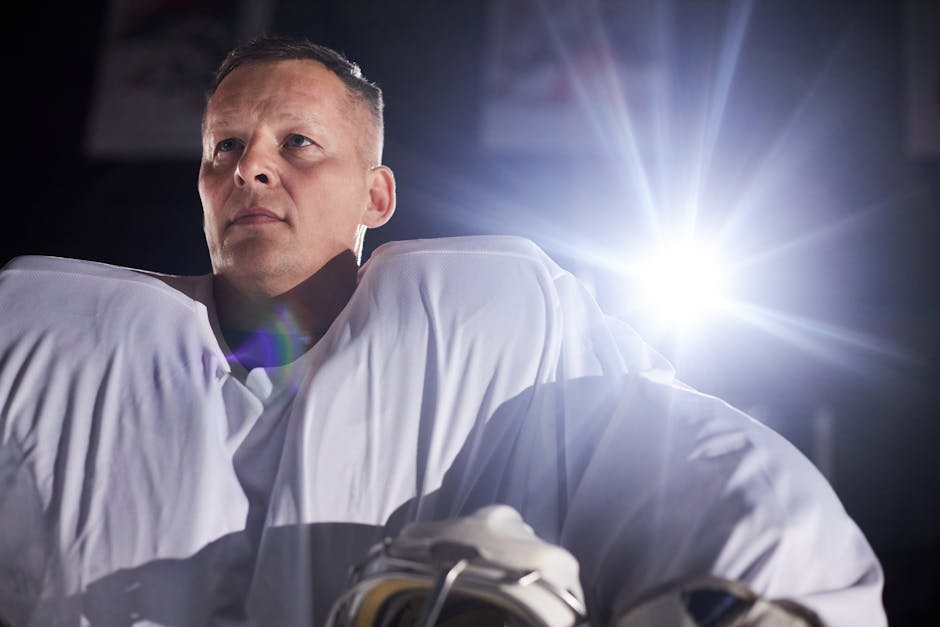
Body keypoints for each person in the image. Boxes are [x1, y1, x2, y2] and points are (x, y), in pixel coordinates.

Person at [0, 36, 885, 626]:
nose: (250, 166)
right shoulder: (50, 344)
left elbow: (678, 450)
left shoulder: (491, 326)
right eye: (224, 147)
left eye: (297, 143)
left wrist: (765, 593)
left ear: (376, 195)